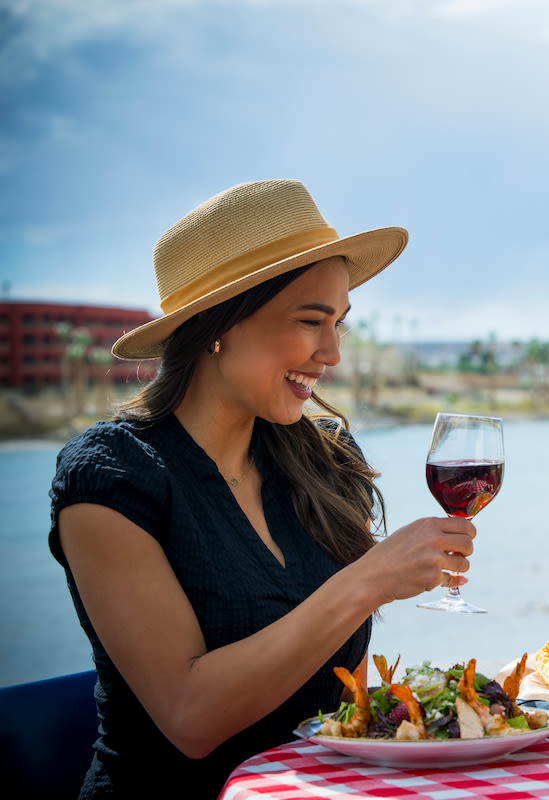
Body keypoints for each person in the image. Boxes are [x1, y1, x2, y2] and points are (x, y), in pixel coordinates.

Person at [49, 179, 477, 798]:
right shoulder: (110, 478)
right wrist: (369, 580)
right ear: (218, 324)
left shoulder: (327, 460)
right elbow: (190, 719)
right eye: (311, 321)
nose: (331, 352)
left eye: (339, 324)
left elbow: (345, 709)